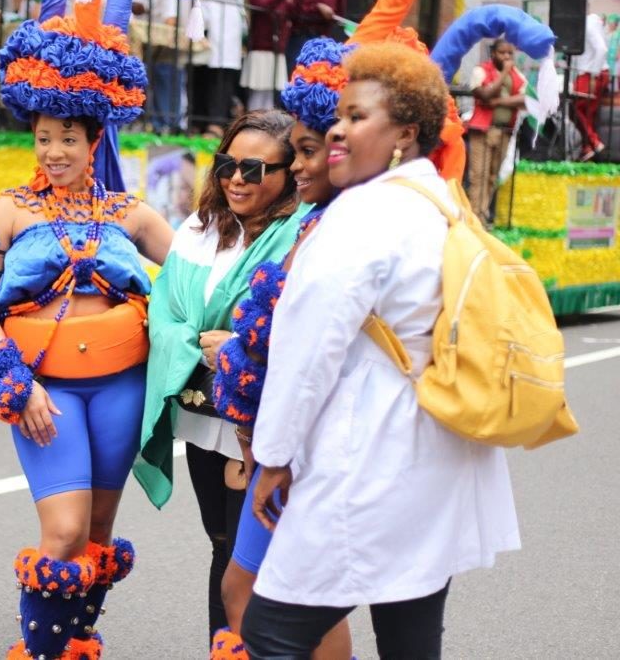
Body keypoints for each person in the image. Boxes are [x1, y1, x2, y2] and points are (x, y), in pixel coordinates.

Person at [239, 41, 520, 659]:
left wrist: (275, 457)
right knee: (410, 635)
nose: (337, 129)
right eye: (339, 115)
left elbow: (308, 352)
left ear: (405, 133)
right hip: (437, 451)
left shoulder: (364, 215)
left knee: (269, 634)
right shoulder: (440, 200)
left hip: (368, 452)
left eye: (357, 117)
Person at [0, 0, 185, 655]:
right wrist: (11, 380)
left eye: (68, 140)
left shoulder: (129, 212)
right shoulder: (11, 209)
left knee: (98, 535)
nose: (54, 152)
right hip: (43, 393)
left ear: (94, 142)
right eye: (45, 138)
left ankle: (79, 643)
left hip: (121, 388)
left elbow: (199, 275)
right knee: (62, 534)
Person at [137, 108, 312, 643]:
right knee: (221, 543)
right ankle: (227, 650)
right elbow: (165, 309)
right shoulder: (198, 228)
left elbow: (308, 324)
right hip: (201, 412)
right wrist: (200, 344)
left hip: (259, 417)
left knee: (253, 553)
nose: (237, 178)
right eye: (227, 165)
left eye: (255, 170)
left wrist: (239, 347)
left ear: (286, 176)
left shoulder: (300, 236)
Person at [209, 36, 354, 660]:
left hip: (314, 447)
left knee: (286, 598)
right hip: (276, 442)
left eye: (306, 152)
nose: (297, 167)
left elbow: (316, 353)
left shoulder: (351, 228)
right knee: (250, 588)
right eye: (294, 152)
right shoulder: (318, 222)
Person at [466, 37, 526, 224]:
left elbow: (525, 100)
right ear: (493, 54)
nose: (507, 56)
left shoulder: (518, 76)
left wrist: (498, 102)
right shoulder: (481, 70)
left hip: (504, 131)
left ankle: (480, 215)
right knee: (478, 176)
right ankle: (476, 220)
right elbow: (484, 94)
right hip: (483, 131)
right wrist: (504, 74)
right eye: (502, 53)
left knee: (492, 176)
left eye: (510, 53)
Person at [191, 0, 250, 137]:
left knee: (220, 75)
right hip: (201, 19)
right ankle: (196, 122)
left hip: (224, 23)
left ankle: (215, 124)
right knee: (197, 72)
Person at [133, 0, 188, 133]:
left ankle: (168, 123)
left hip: (168, 37)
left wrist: (169, 33)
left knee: (167, 74)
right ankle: (154, 122)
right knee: (148, 76)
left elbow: (170, 17)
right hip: (147, 35)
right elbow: (139, 5)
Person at [242, 0, 290, 111]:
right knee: (258, 91)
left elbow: (291, 13)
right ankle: (253, 123)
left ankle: (265, 126)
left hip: (276, 50)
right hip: (260, 49)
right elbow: (264, 6)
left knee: (270, 94)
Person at [283, 0, 345, 75]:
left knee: (319, 78)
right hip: (299, 37)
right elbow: (291, 13)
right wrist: (316, 7)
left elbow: (340, 16)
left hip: (322, 40)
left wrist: (331, 14)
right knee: (296, 76)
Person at [573, 13, 608, 161]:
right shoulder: (590, 23)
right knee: (587, 114)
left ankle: (594, 142)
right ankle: (587, 149)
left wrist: (593, 75)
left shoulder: (588, 23)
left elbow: (602, 49)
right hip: (590, 72)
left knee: (574, 107)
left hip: (591, 73)